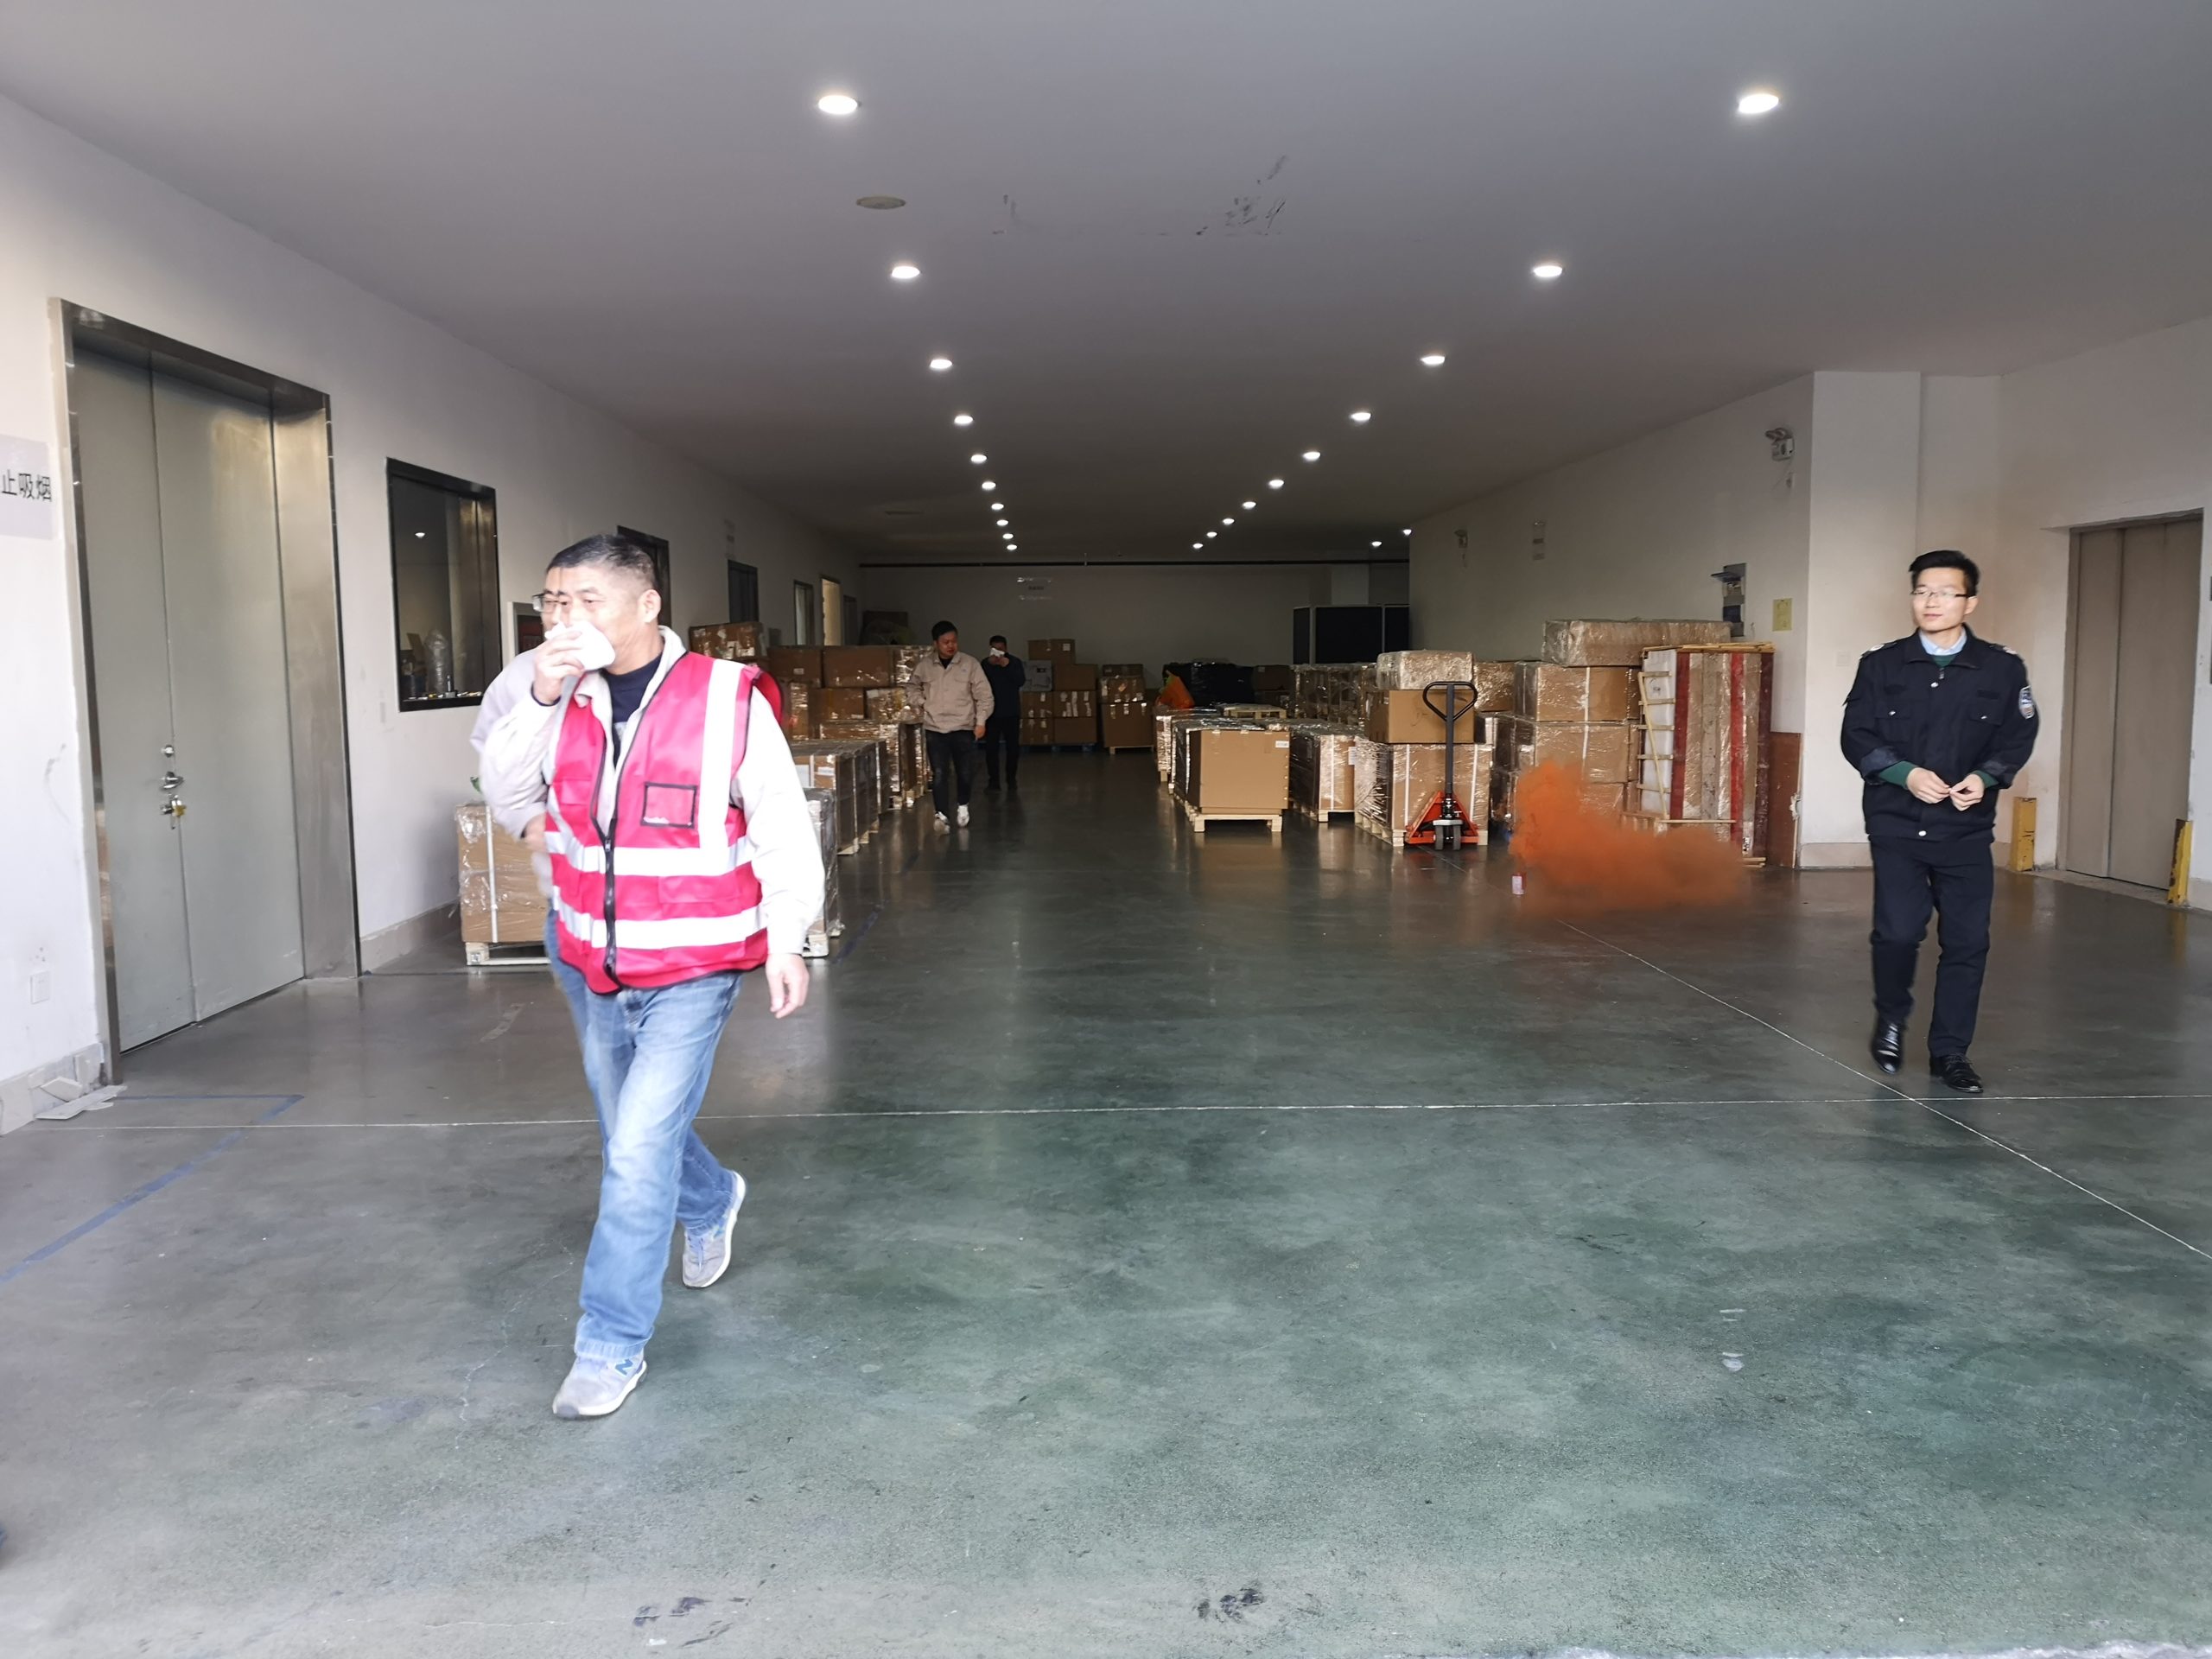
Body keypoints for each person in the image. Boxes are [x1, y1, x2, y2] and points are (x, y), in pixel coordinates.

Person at [481, 534, 823, 1418]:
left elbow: (781, 819)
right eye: (553, 602)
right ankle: (709, 1198)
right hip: (588, 951)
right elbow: (505, 793)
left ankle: (609, 1345)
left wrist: (787, 934)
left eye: (586, 600)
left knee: (635, 1150)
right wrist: (542, 696)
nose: (565, 618)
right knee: (628, 1130)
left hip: (694, 960)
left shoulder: (725, 696)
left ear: (646, 605)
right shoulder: (540, 685)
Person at [1841, 550, 2037, 1096]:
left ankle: (1950, 1053)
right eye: (1922, 591)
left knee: (1968, 942)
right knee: (1898, 932)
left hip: (1964, 829)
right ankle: (1891, 1018)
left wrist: (1986, 777)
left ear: (1970, 602)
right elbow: (1856, 733)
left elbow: (2017, 737)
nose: (1931, 602)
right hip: (1898, 824)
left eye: (1946, 592)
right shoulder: (1882, 664)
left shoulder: (2002, 669)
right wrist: (1903, 774)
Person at [910, 620, 993, 829]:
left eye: (954, 641)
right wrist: (922, 702)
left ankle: (963, 804)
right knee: (939, 773)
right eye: (945, 642)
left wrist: (981, 722)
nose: (950, 646)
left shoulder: (970, 664)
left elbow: (985, 695)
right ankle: (941, 814)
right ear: (935, 643)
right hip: (935, 728)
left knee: (965, 772)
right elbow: (911, 687)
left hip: (963, 727)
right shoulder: (925, 666)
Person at [979, 636, 1027, 792]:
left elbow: (1020, 681)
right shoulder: (985, 664)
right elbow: (979, 685)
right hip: (992, 714)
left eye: (1000, 649)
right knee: (991, 749)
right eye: (995, 649)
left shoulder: (1014, 662)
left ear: (1006, 648)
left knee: (1013, 749)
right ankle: (994, 781)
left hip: (1011, 712)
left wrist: (1007, 667)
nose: (998, 653)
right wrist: (990, 665)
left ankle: (1011, 779)